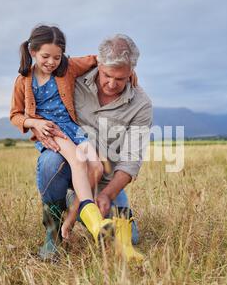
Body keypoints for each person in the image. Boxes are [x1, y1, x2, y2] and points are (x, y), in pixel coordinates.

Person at [32, 34, 152, 262]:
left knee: (129, 239)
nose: (112, 84)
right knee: (50, 162)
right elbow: (42, 76)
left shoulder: (141, 104)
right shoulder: (72, 80)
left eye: (121, 78)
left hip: (104, 181)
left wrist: (108, 194)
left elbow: (130, 160)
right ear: (99, 63)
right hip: (69, 168)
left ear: (131, 72)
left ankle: (82, 208)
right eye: (107, 75)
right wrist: (35, 124)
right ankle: (54, 232)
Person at [9, 25, 114, 259]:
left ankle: (71, 218)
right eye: (46, 56)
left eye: (57, 57)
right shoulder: (23, 80)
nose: (51, 62)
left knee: (96, 166)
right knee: (79, 162)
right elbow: (15, 115)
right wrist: (34, 124)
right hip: (51, 131)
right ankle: (93, 221)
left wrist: (125, 71)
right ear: (32, 51)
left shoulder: (67, 67)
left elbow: (97, 60)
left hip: (73, 129)